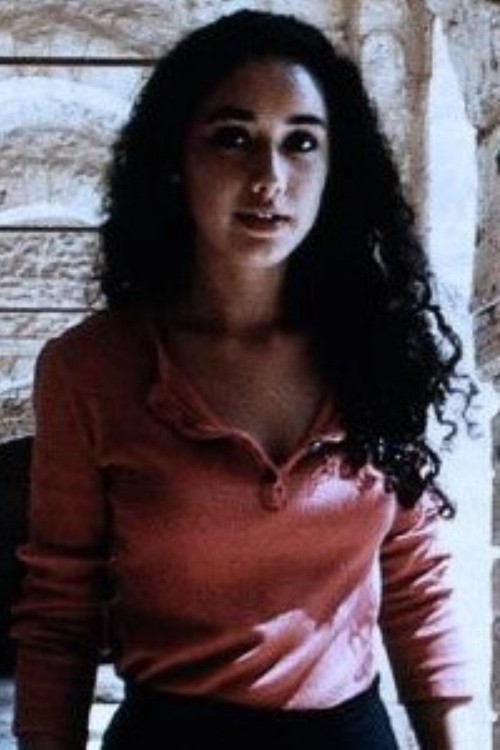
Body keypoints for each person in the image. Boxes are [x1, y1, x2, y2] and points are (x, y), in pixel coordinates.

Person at [12, 9, 478, 750]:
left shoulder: (381, 350)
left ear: (335, 168)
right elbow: (59, 614)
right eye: (234, 138)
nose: (270, 178)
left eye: (301, 142)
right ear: (176, 158)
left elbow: (414, 577)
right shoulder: (91, 369)